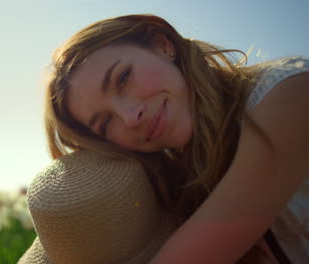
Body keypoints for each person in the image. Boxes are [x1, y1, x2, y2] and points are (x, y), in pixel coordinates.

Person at [43, 14, 309, 263]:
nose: (129, 116)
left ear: (162, 45)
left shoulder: (289, 93)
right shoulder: (180, 185)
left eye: (123, 78)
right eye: (105, 122)